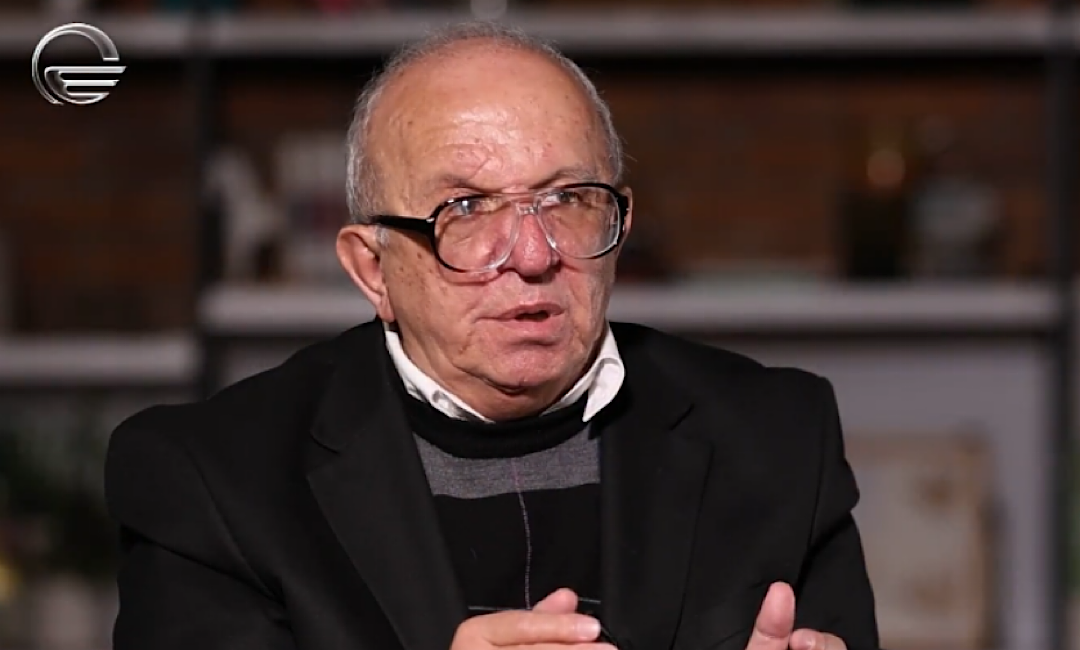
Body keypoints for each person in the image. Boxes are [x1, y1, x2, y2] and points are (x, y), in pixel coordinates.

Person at [104, 21, 880, 650]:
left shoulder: (777, 437)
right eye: (467, 211)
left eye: (568, 199)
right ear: (373, 269)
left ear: (619, 221)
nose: (534, 256)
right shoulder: (215, 481)